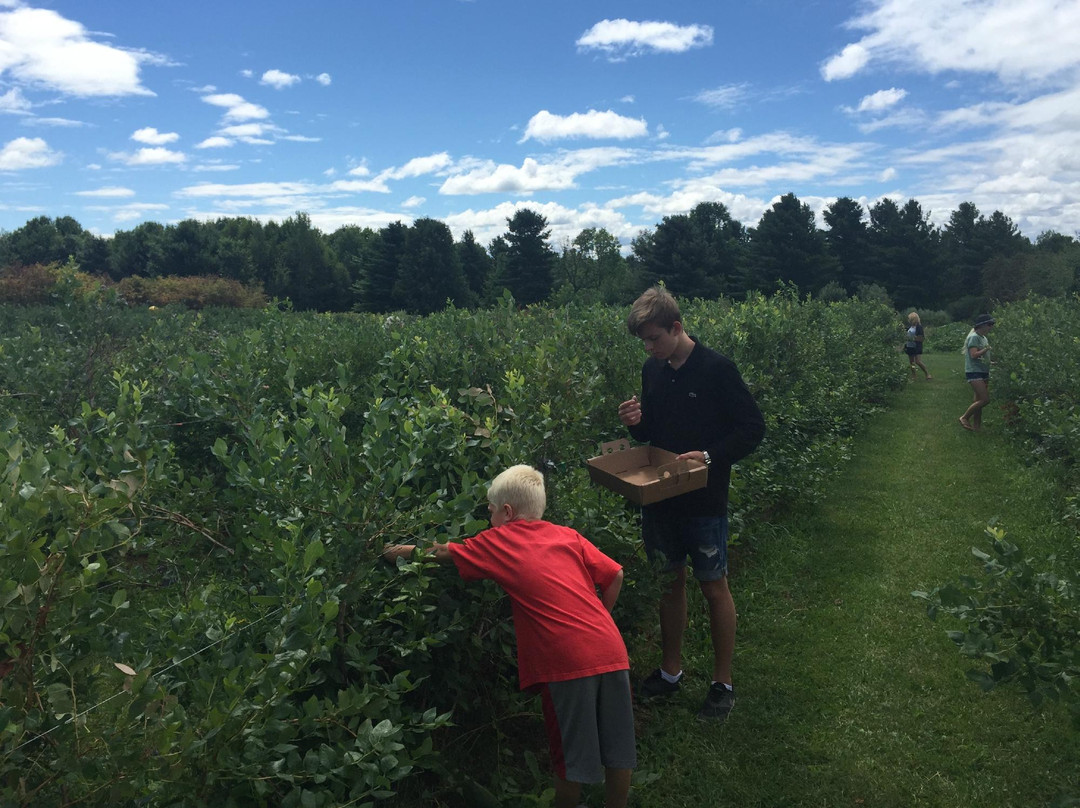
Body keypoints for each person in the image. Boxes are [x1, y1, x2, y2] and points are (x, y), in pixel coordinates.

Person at [383, 465, 635, 808]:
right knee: (618, 747)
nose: (488, 520)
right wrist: (598, 620)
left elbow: (443, 553)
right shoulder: (566, 535)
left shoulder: (501, 539)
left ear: (507, 512)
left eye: (489, 512)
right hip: (610, 646)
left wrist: (402, 552)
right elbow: (615, 574)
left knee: (571, 760)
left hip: (567, 661)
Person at [617, 286, 765, 723]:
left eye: (654, 338)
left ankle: (722, 683)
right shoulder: (654, 369)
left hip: (703, 499)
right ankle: (671, 670)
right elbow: (651, 438)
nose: (649, 348)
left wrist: (710, 455)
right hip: (660, 499)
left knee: (713, 584)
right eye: (644, 341)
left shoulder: (717, 370)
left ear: (676, 327)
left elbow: (752, 428)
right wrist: (636, 422)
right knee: (669, 583)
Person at [960, 313, 995, 431]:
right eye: (990, 324)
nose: (991, 327)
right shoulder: (974, 337)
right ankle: (964, 418)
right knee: (985, 400)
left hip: (983, 371)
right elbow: (974, 355)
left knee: (978, 400)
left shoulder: (984, 338)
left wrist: (991, 363)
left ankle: (977, 427)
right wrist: (986, 349)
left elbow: (983, 358)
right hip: (974, 372)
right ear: (982, 325)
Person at [904, 311, 932, 380]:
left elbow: (921, 338)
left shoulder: (919, 327)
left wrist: (912, 338)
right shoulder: (910, 327)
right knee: (912, 363)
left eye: (910, 318)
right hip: (909, 346)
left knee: (918, 361)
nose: (909, 320)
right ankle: (914, 375)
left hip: (916, 346)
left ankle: (927, 374)